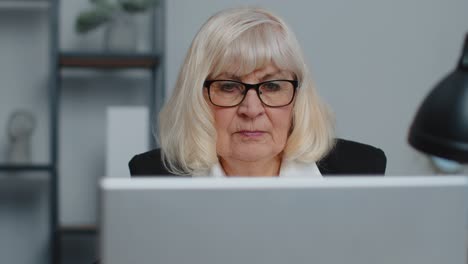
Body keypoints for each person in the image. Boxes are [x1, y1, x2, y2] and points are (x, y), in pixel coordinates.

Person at [129, 7, 386, 177]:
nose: (251, 110)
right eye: (229, 87)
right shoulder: (151, 175)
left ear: (298, 98)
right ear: (197, 97)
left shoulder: (360, 168)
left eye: (272, 86)